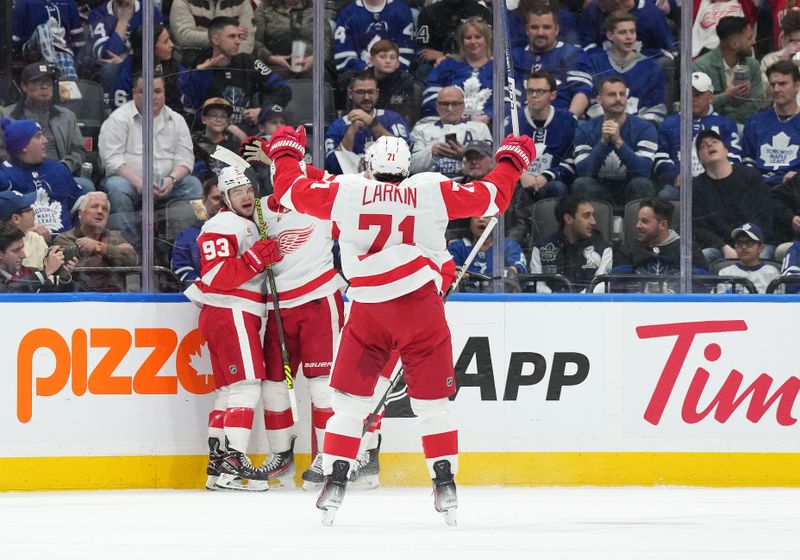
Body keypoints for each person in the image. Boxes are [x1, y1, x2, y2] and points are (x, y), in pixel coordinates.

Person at [266, 126, 534, 525]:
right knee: (433, 407)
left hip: (370, 308)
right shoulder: (430, 189)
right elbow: (492, 197)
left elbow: (290, 193)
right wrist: (511, 160)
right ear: (407, 167)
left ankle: (337, 479)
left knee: (350, 404)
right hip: (421, 309)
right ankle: (445, 485)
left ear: (369, 165)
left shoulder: (349, 190)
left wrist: (287, 153)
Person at [183, 165, 282, 491]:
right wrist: (255, 259)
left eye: (248, 190)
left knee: (228, 391)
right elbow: (216, 277)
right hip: (231, 312)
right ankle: (233, 465)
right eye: (237, 191)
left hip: (230, 314)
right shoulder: (222, 224)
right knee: (246, 387)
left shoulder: (243, 223)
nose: (247, 195)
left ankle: (217, 468)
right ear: (225, 197)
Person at [251, 161, 348, 490]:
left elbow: (354, 191)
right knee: (272, 386)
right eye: (279, 170)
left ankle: (328, 458)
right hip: (278, 308)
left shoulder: (321, 203)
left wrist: (303, 165)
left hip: (318, 302)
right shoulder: (261, 208)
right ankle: (281, 457)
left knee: (323, 386)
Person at [98, 73, 202, 245]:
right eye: (144, 91)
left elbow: (185, 159)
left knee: (193, 185)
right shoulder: (118, 119)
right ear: (134, 93)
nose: (152, 96)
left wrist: (172, 179)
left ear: (164, 94)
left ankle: (182, 246)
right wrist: (140, 184)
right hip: (130, 184)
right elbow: (112, 160)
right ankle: (129, 249)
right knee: (117, 187)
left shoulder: (177, 120)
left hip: (168, 184)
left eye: (158, 91)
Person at [179, 17, 292, 132]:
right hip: (212, 137)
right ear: (215, 40)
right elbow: (190, 107)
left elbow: (283, 88)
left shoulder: (248, 62)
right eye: (232, 37)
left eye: (239, 36)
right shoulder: (201, 66)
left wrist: (263, 110)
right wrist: (199, 75)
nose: (238, 41)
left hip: (248, 134)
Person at [0, 62, 93, 191]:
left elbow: (79, 150)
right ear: (24, 86)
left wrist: (63, 167)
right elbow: (1, 150)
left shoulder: (67, 116)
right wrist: (20, 168)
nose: (44, 87)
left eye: (48, 83)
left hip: (58, 174)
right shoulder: (5, 116)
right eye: (38, 82)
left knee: (86, 186)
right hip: (19, 175)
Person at [655, 71, 742, 200]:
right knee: (666, 196)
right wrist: (676, 175)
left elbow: (735, 158)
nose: (692, 98)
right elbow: (660, 158)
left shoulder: (725, 125)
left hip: (717, 183)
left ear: (711, 96)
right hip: (680, 186)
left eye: (698, 94)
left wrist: (714, 176)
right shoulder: (668, 124)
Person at [573, 77, 657, 206]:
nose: (618, 99)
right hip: (598, 188)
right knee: (582, 184)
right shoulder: (585, 129)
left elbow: (644, 171)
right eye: (612, 94)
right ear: (599, 99)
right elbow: (584, 172)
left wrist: (618, 141)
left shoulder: (645, 128)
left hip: (630, 187)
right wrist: (603, 142)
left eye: (622, 94)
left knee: (641, 184)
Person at [693, 129, 773, 263]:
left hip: (755, 243)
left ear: (726, 150)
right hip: (719, 248)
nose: (709, 145)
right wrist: (723, 247)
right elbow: (698, 227)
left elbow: (764, 216)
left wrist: (746, 245)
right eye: (703, 145)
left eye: (714, 142)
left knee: (763, 258)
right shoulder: (696, 186)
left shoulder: (750, 176)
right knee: (704, 256)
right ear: (700, 159)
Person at [1, 118, 86, 235]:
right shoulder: (4, 176)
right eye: (38, 136)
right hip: (26, 247)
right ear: (22, 145)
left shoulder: (58, 169)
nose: (45, 140)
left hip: (67, 244)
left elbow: (81, 209)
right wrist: (24, 230)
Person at [511, 4, 592, 118]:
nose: (540, 33)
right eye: (534, 27)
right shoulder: (516, 57)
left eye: (546, 27)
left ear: (556, 29)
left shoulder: (573, 53)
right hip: (522, 123)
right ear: (527, 30)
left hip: (560, 120)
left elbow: (582, 92)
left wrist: (568, 120)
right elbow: (510, 95)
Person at [587, 11, 667, 126]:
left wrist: (632, 128)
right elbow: (592, 102)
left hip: (639, 132)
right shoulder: (595, 62)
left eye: (632, 32)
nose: (629, 37)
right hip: (602, 128)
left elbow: (656, 109)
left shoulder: (652, 67)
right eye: (622, 32)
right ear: (610, 35)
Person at [612, 198, 708, 292]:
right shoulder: (627, 250)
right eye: (638, 220)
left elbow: (700, 287)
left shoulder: (688, 250)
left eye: (644, 221)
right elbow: (618, 286)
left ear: (663, 225)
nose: (638, 225)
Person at [325, 71, 411, 174]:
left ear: (377, 93)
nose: (366, 97)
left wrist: (372, 123)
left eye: (370, 92)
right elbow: (333, 166)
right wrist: (351, 131)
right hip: (352, 184)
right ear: (350, 93)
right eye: (360, 92)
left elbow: (404, 152)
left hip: (387, 181)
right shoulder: (337, 126)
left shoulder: (393, 119)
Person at [54, 192, 139, 292]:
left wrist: (98, 247)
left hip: (113, 299)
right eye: (94, 206)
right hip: (77, 297)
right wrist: (114, 253)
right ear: (80, 214)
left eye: (104, 209)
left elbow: (133, 260)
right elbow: (72, 267)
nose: (100, 211)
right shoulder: (65, 239)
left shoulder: (116, 237)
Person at [529, 195, 612, 293]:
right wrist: (559, 301)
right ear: (568, 219)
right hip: (550, 306)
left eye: (592, 215)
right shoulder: (541, 247)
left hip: (589, 306)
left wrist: (575, 302)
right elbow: (537, 285)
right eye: (587, 216)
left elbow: (601, 286)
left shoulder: (603, 249)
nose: (593, 222)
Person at [515, 71, 576, 201]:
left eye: (540, 91)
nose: (534, 95)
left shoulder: (567, 121)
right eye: (530, 91)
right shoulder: (514, 121)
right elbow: (504, 156)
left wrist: (546, 176)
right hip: (521, 180)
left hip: (551, 182)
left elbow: (571, 159)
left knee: (558, 188)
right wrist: (522, 174)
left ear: (553, 95)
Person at [422, 17, 497, 123]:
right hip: (449, 125)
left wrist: (490, 116)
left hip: (490, 126)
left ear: (487, 39)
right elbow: (430, 95)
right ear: (462, 42)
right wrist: (452, 116)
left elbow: (510, 101)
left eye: (478, 37)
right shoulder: (447, 65)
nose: (473, 41)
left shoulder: (499, 68)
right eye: (468, 37)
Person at [693, 16, 765, 124]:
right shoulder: (701, 67)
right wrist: (726, 96)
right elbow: (697, 107)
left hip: (743, 126)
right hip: (709, 129)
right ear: (734, 44)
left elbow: (754, 106)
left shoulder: (753, 65)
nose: (754, 41)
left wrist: (728, 123)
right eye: (749, 38)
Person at [409, 86, 492, 177]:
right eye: (444, 104)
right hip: (432, 184)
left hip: (467, 183)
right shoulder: (421, 130)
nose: (450, 109)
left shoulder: (480, 128)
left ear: (463, 106)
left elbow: (490, 165)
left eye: (455, 104)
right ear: (437, 106)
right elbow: (412, 167)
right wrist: (431, 152)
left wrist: (465, 155)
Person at [742, 61, 800, 187]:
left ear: (797, 86)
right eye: (772, 84)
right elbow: (747, 163)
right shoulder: (755, 122)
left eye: (782, 84)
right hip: (759, 190)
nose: (776, 89)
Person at [89, 0, 163, 93]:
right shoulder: (99, 13)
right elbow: (106, 55)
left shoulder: (150, 11)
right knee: (109, 67)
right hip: (115, 71)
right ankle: (110, 105)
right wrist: (123, 21)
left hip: (141, 65)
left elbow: (159, 49)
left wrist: (126, 61)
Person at [111, 23, 186, 115]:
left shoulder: (176, 68)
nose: (172, 45)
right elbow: (120, 113)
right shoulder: (127, 74)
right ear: (150, 47)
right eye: (166, 41)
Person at [253, 0, 332, 79]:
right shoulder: (265, 9)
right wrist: (270, 58)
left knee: (317, 76)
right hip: (274, 64)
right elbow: (255, 41)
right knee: (274, 77)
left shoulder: (314, 10)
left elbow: (326, 43)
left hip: (308, 64)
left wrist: (314, 59)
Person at [414, 0, 492, 80]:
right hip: (439, 65)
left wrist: (447, 56)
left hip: (474, 63)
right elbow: (423, 51)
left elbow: (488, 47)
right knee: (424, 70)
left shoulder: (481, 12)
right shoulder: (429, 13)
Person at [447, 216, 527, 292]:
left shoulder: (507, 245)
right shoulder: (457, 247)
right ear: (469, 223)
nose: (481, 219)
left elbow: (518, 266)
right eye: (476, 216)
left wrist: (512, 271)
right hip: (464, 298)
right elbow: (450, 269)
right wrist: (456, 271)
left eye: (487, 216)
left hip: (497, 298)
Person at [333, 0, 415, 74]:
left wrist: (387, 68)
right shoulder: (348, 13)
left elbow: (406, 52)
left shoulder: (401, 10)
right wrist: (367, 69)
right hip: (360, 75)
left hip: (394, 74)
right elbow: (343, 54)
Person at [12, 0, 85, 79]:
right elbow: (16, 39)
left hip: (60, 48)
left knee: (68, 67)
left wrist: (77, 58)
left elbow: (78, 38)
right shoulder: (24, 2)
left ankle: (69, 87)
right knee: (43, 28)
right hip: (32, 51)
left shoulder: (68, 2)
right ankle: (52, 67)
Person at [171, 178, 224, 284]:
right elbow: (181, 268)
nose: (222, 203)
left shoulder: (244, 230)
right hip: (200, 297)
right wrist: (202, 287)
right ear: (204, 200)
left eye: (225, 199)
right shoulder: (186, 236)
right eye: (216, 198)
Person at [0, 221, 75, 292]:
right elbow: (10, 293)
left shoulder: (29, 272)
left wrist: (64, 275)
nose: (24, 255)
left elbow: (55, 298)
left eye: (22, 248)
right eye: (16, 250)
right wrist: (46, 271)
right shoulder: (37, 277)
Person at [169, 0, 257, 56]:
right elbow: (184, 36)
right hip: (192, 61)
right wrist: (224, 37)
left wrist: (227, 59)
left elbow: (247, 41)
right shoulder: (183, 1)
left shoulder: (242, 2)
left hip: (233, 62)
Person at [716, 223, 779, 293]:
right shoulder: (724, 273)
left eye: (749, 243)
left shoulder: (772, 273)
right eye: (739, 243)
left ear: (761, 248)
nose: (743, 247)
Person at [760, 9, 800, 104]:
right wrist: (782, 63)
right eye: (793, 41)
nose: (798, 46)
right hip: (780, 114)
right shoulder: (769, 60)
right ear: (784, 39)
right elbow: (765, 97)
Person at [0, 190, 48, 269]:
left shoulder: (36, 238)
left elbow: (50, 274)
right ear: (16, 218)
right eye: (28, 209)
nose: (34, 213)